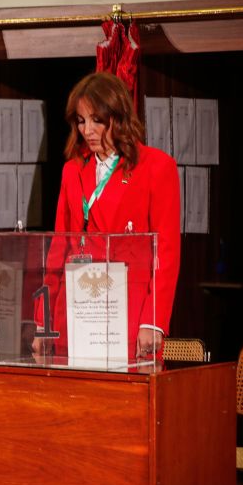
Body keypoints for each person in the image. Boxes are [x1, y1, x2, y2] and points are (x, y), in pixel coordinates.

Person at [33, 72, 180, 359]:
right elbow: (58, 250)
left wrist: (154, 320)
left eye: (97, 120)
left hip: (129, 310)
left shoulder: (157, 166)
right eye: (81, 120)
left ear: (119, 116)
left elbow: (167, 251)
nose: (88, 130)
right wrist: (44, 321)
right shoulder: (72, 170)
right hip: (74, 307)